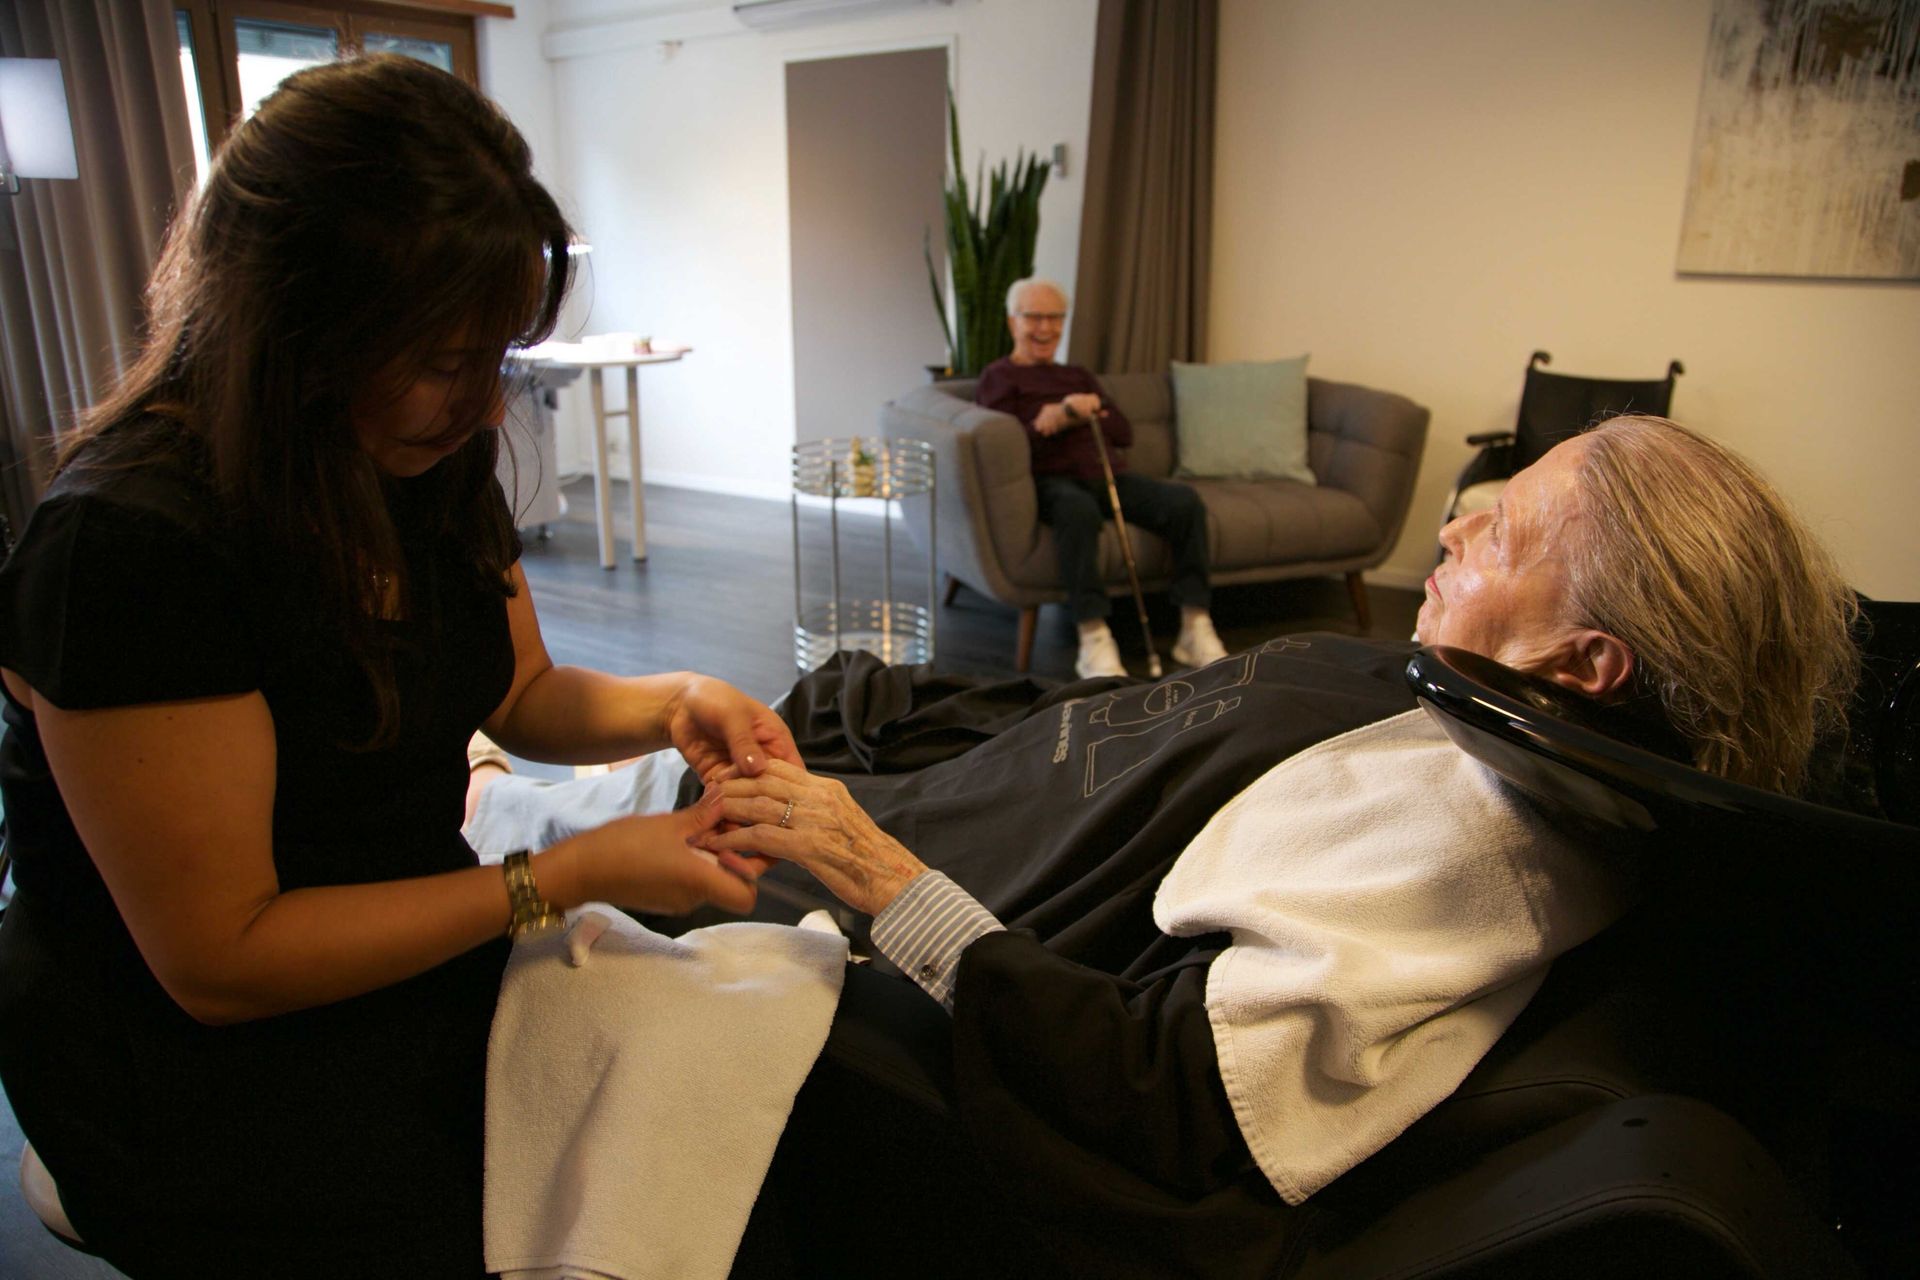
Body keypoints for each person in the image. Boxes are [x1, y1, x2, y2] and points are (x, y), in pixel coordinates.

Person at [687, 415, 1859, 1274]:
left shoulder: (1472, 846)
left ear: (1586, 662)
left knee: (667, 861)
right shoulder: (1454, 695)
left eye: (1503, 531)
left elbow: (1165, 1094)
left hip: (927, 934)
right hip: (994, 782)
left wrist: (881, 874)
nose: (1452, 525)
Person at [0, 56, 788, 1279]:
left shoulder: (420, 461)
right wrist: (561, 875)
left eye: (495, 363)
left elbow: (519, 695)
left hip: (412, 954)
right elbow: (224, 959)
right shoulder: (129, 547)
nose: (483, 412)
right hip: (200, 1066)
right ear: (297, 324)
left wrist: (673, 699)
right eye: (442, 362)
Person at [976, 277, 1229, 678]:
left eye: (1055, 318)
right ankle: (1093, 635)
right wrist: (1056, 419)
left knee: (1184, 503)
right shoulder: (998, 378)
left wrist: (1085, 410)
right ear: (1013, 323)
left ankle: (1194, 625)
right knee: (1077, 512)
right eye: (1035, 317)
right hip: (1051, 481)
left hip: (1108, 476)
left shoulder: (1078, 375)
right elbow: (1006, 447)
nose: (1045, 328)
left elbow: (1123, 433)